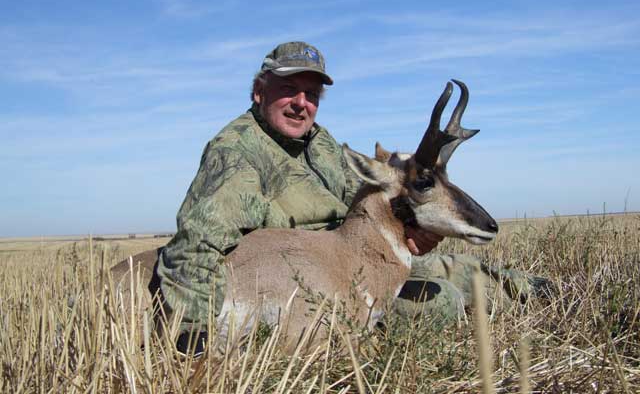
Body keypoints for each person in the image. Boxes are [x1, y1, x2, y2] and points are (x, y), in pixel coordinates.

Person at [156, 41, 547, 351]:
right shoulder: (236, 150)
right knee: (438, 299)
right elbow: (194, 243)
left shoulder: (319, 140)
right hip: (302, 270)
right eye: (288, 90)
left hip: (347, 251)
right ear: (260, 92)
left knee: (449, 265)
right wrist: (192, 333)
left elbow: (360, 200)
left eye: (311, 94)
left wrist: (407, 221)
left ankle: (532, 289)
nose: (301, 103)